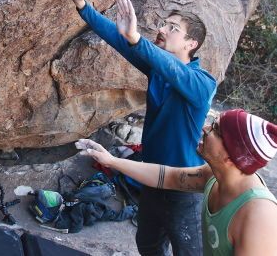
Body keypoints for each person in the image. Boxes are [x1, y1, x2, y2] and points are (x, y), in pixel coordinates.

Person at [68, 0, 217, 255]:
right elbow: (118, 38)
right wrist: (83, 6)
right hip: (149, 179)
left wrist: (136, 37)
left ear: (191, 44)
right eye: (164, 24)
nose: (162, 30)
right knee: (147, 245)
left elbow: (169, 66)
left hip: (182, 188)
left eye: (173, 28)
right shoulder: (158, 71)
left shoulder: (202, 84)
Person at [76, 109, 277, 255]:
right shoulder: (215, 176)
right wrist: (111, 161)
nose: (206, 128)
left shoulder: (258, 217)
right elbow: (168, 176)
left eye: (216, 130)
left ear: (233, 156)